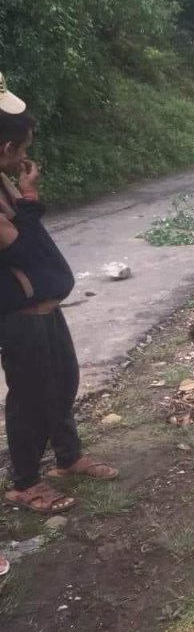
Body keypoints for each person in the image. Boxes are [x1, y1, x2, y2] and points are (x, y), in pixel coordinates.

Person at [0, 72, 118, 515]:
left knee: (63, 381)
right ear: (6, 148)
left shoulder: (2, 178)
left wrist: (23, 197)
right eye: (22, 150)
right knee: (29, 395)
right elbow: (22, 249)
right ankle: (25, 483)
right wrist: (29, 199)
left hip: (45, 307)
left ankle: (67, 459)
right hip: (19, 313)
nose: (25, 157)